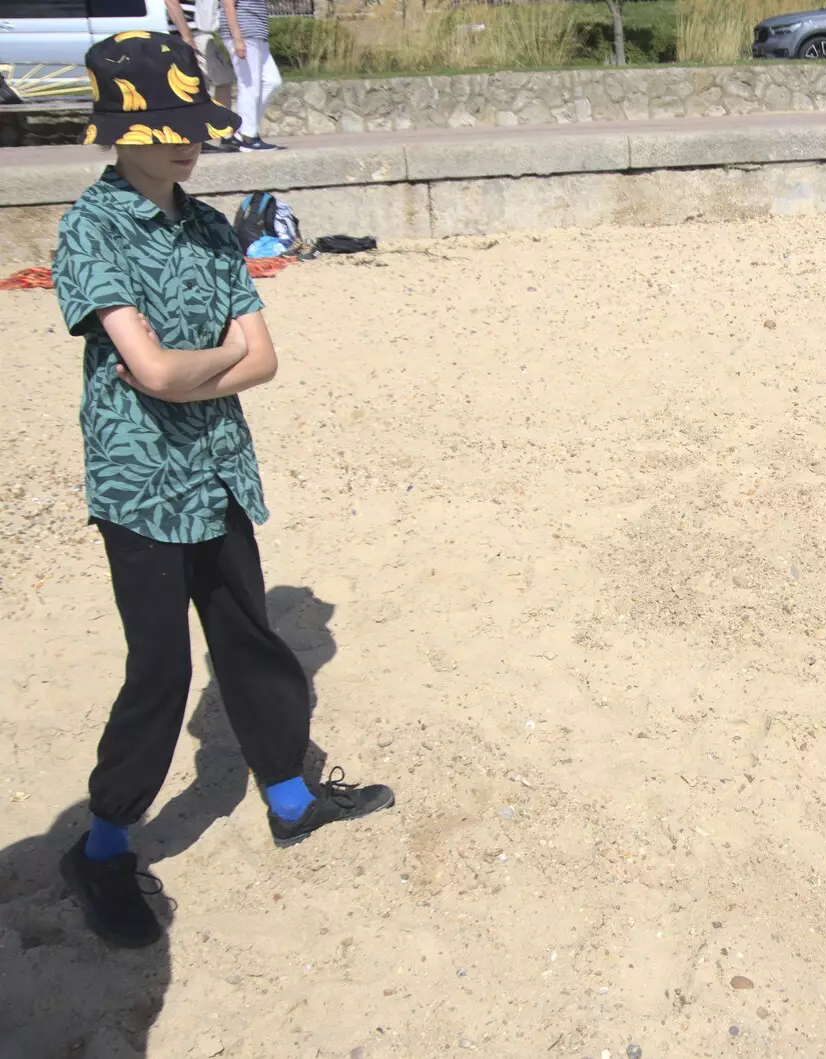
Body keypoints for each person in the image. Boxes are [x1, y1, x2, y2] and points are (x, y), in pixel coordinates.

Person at [53, 31, 393, 950]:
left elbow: (257, 361)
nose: (186, 141)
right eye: (165, 126)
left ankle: (290, 796)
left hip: (217, 471)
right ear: (118, 130)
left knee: (250, 635)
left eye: (192, 123)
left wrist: (190, 370)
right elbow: (153, 372)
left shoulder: (209, 227)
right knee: (159, 670)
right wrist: (210, 364)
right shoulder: (89, 228)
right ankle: (104, 843)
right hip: (141, 485)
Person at [164, 0, 236, 151]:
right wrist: (187, 36)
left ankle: (219, 134)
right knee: (197, 87)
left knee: (219, 81)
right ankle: (202, 136)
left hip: (197, 34)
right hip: (190, 35)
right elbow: (171, 3)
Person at [221, 0, 282, 151]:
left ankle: (243, 131)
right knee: (249, 86)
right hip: (244, 33)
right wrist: (237, 39)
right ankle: (248, 138)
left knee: (272, 81)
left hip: (258, 34)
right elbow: (228, 4)